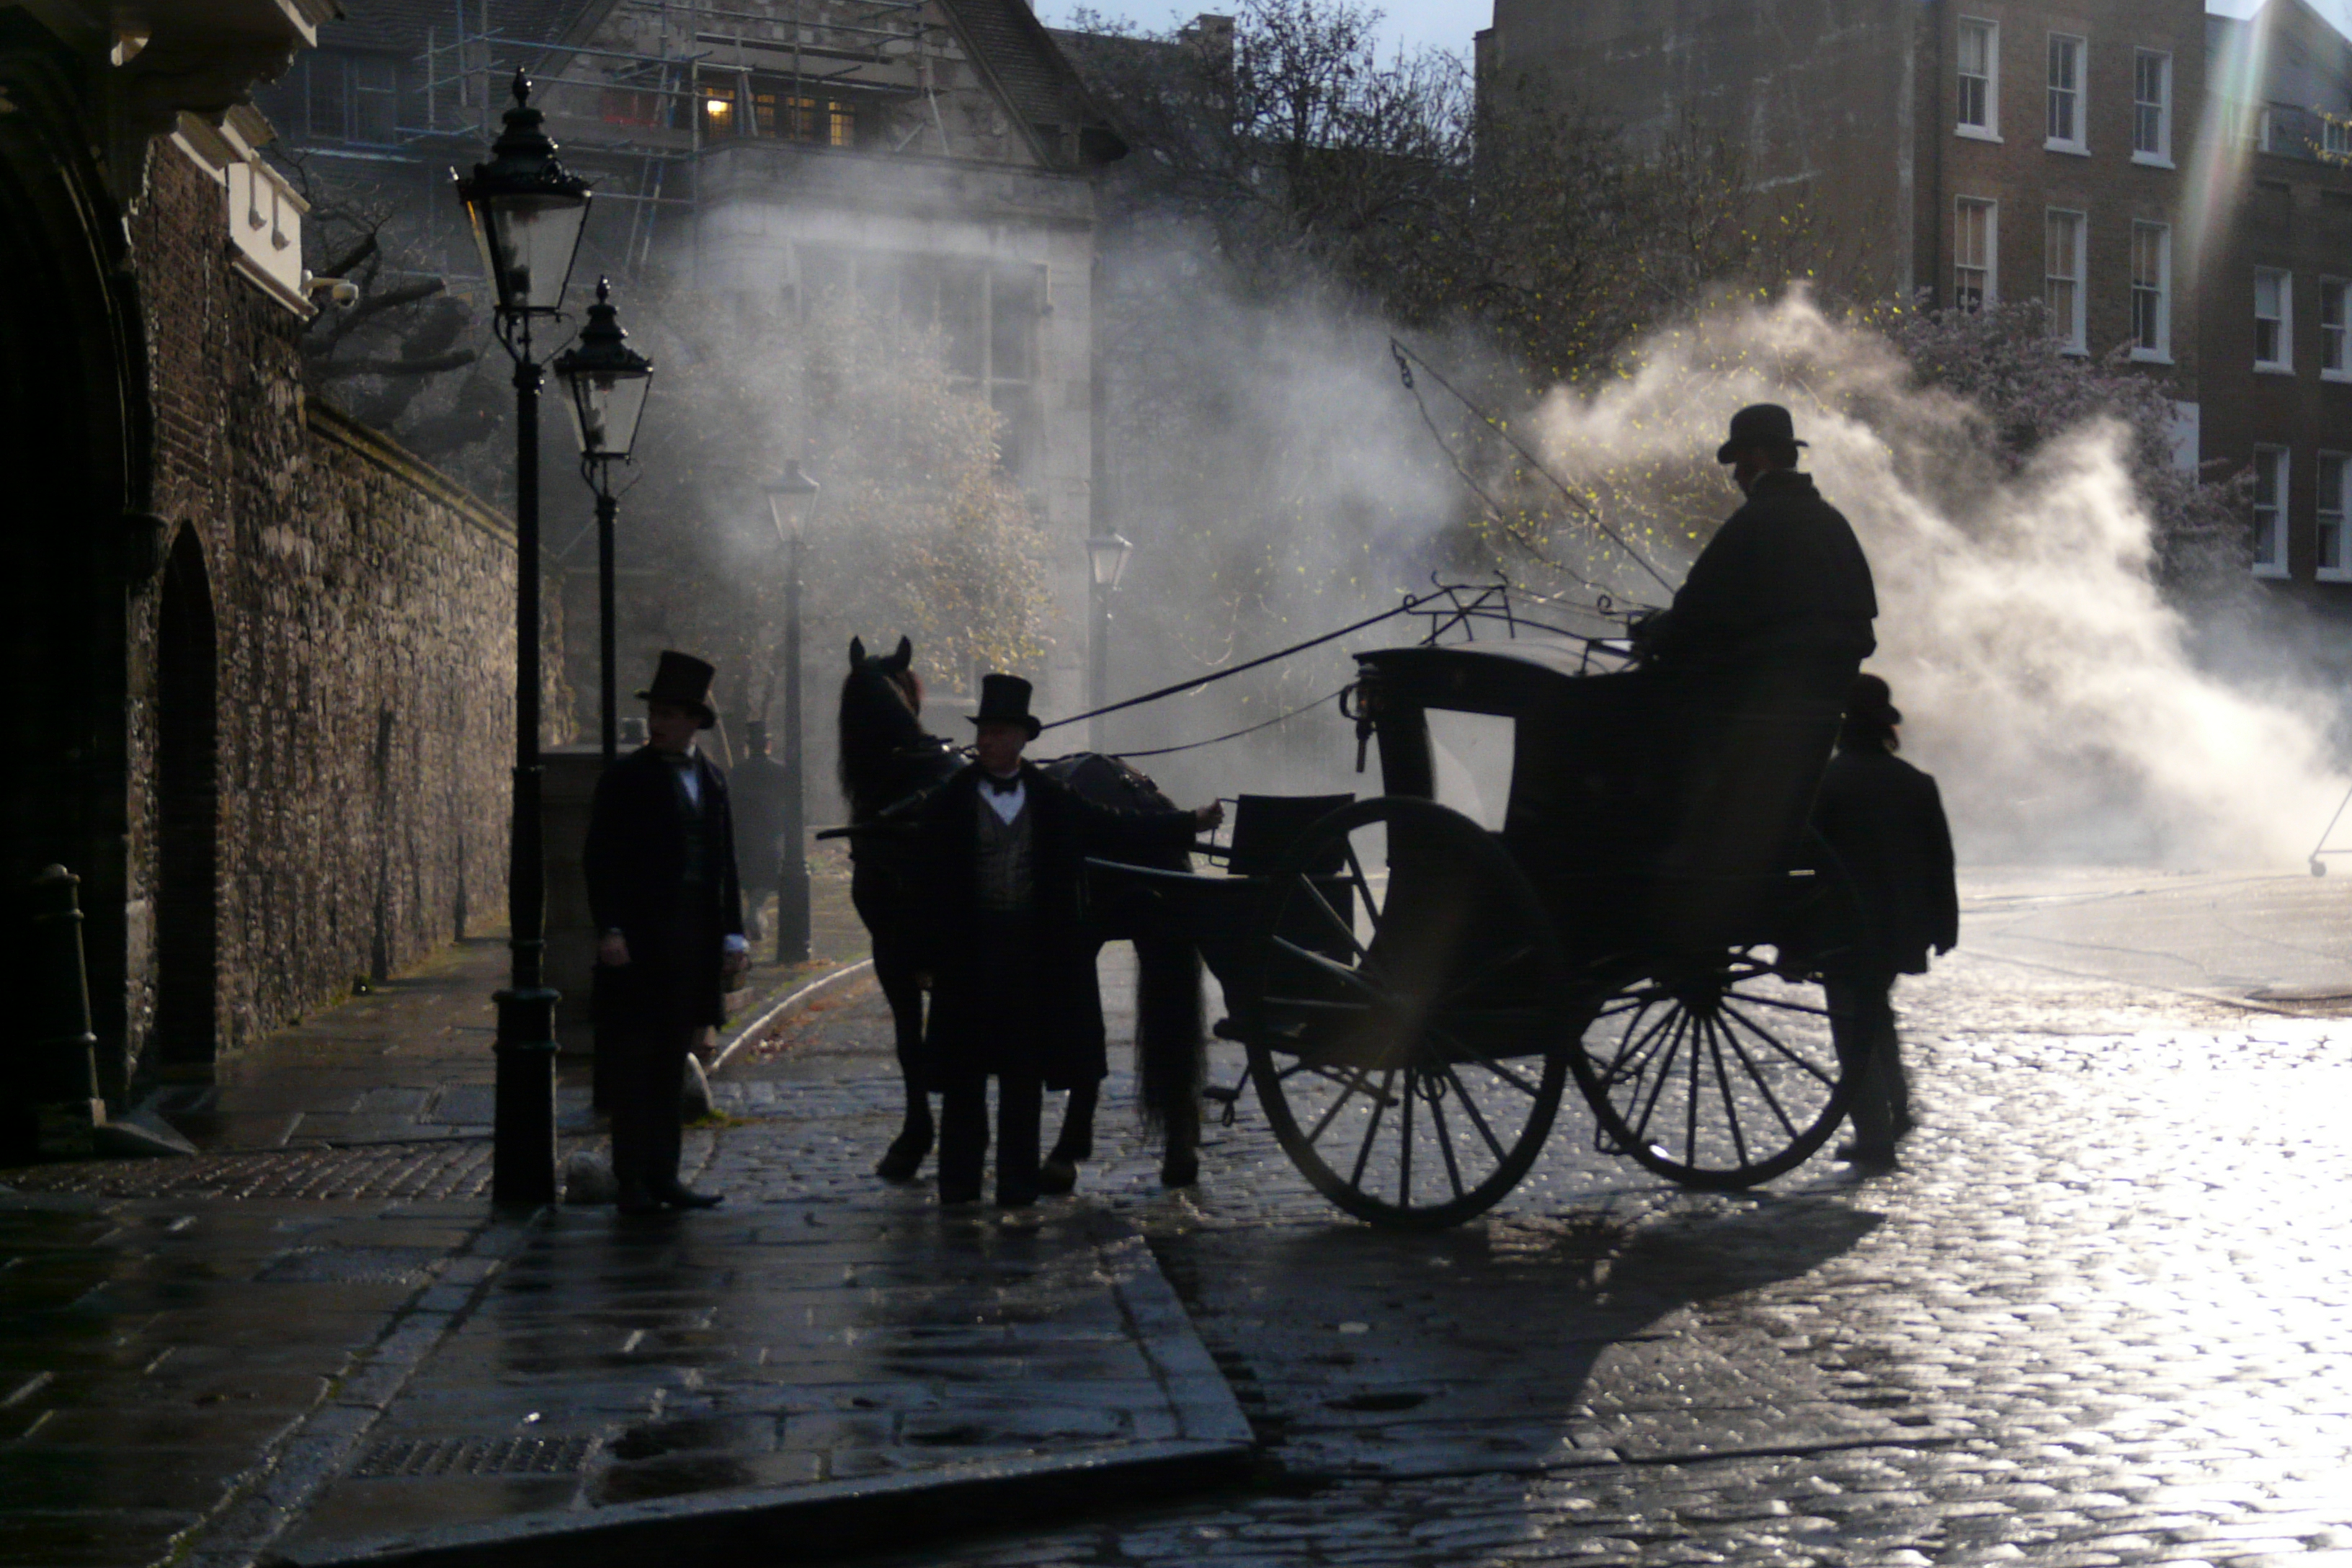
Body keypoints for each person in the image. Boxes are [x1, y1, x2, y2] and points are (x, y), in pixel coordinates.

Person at [909, 674, 1222, 1208]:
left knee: (1021, 1081)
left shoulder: (1050, 796)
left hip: (1030, 957)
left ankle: (1016, 1188)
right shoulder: (950, 799)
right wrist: (924, 953)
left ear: (1021, 740)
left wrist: (1186, 822)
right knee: (964, 1080)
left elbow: (1116, 825)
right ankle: (959, 1190)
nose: (986, 740)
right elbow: (927, 875)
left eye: (998, 731)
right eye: (982, 731)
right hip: (971, 956)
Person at [583, 651, 750, 1214]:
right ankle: (632, 1180)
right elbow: (600, 859)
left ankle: (666, 1176)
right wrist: (610, 927)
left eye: (671, 714)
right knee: (635, 1063)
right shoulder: (626, 778)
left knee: (673, 1061)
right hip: (642, 939)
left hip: (694, 940)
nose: (659, 723)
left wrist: (734, 934)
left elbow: (725, 861)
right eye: (655, 712)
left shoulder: (712, 779)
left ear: (695, 722)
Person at [1813, 674, 1958, 1172]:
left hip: (1847, 928)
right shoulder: (1915, 783)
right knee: (1876, 1014)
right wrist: (1944, 927)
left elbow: (1810, 864)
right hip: (1901, 925)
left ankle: (1876, 1137)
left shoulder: (1829, 783)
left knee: (1853, 1028)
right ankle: (1896, 1109)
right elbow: (1941, 861)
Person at [730, 720, 790, 943]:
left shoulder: (738, 772)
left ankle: (755, 917)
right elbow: (789, 804)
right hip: (769, 834)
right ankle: (754, 917)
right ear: (768, 745)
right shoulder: (779, 771)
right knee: (764, 882)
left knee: (751, 881)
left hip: (744, 835)